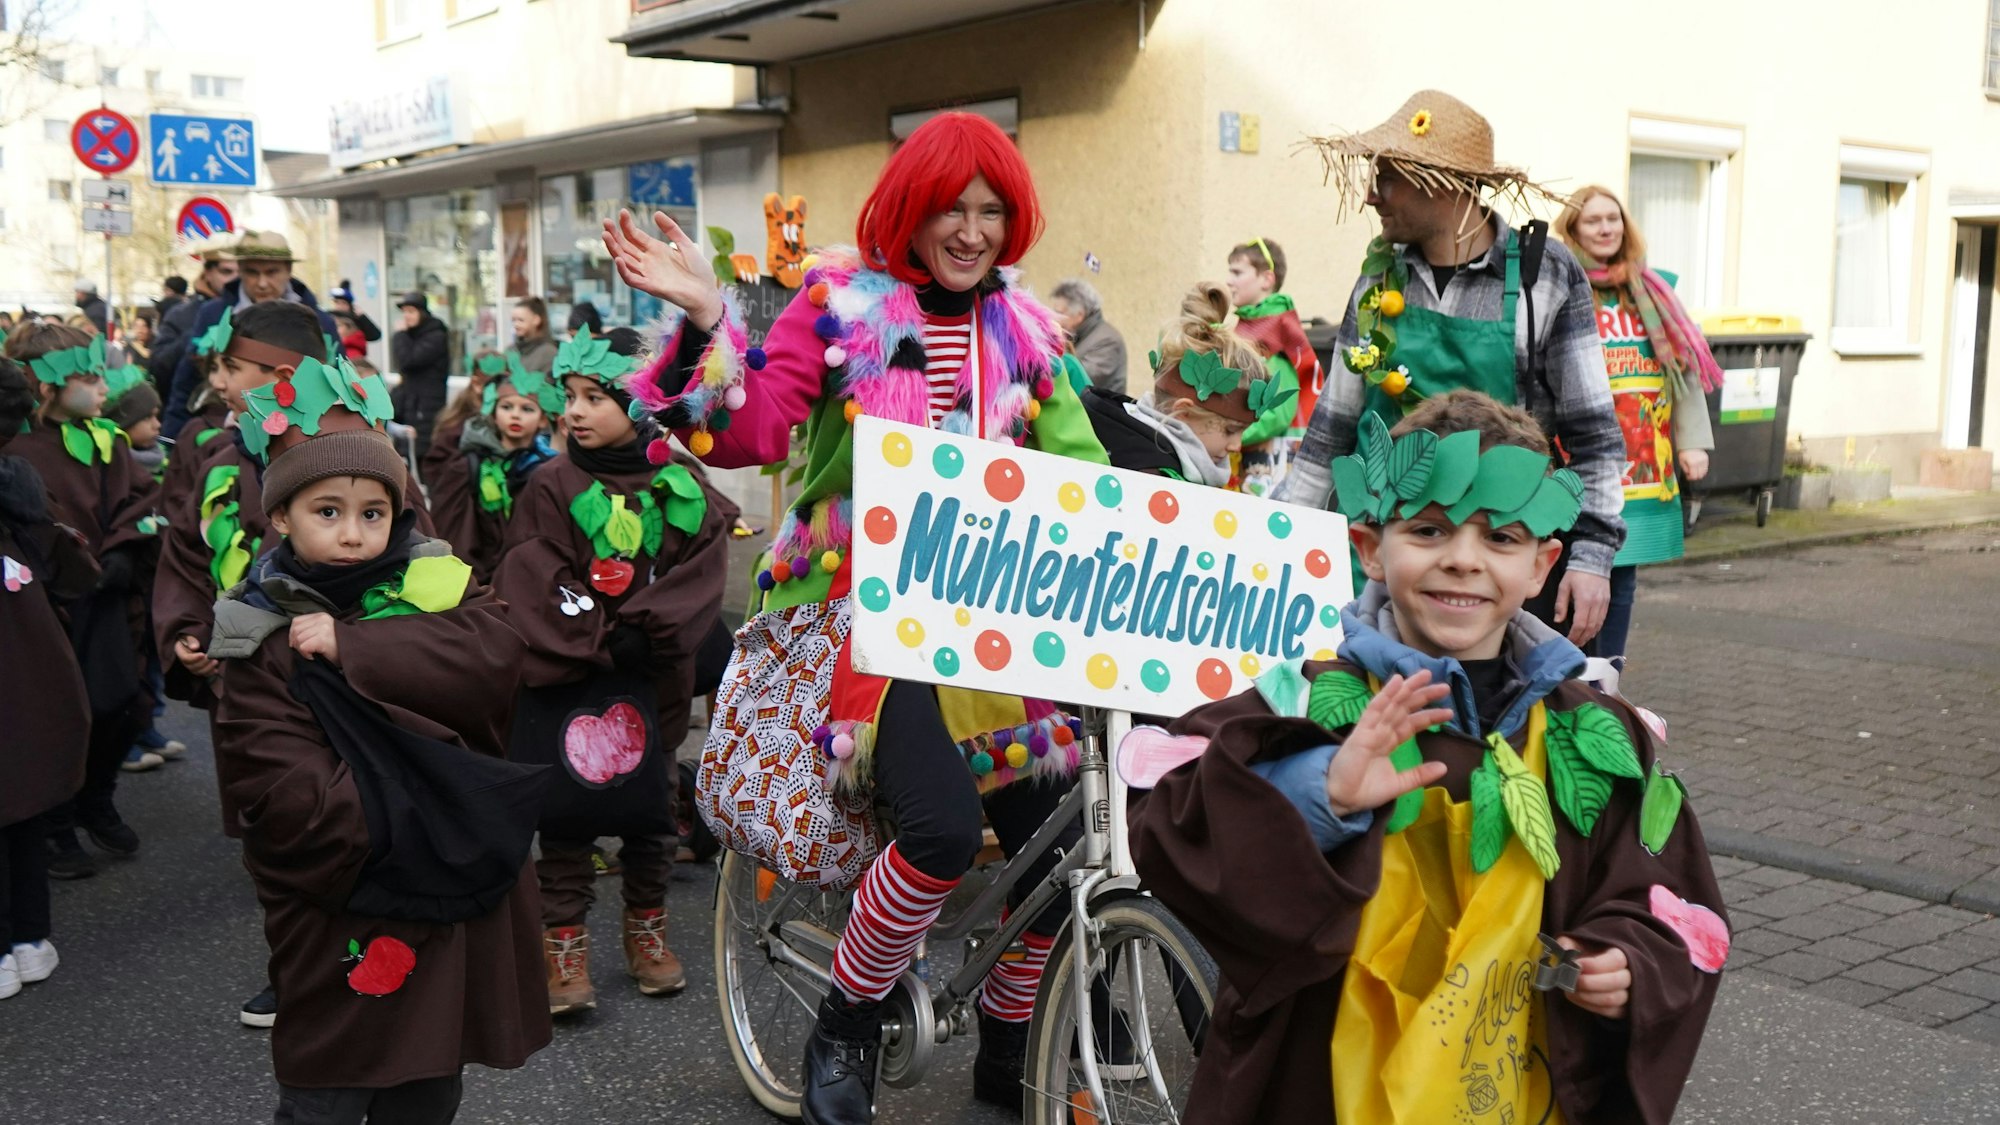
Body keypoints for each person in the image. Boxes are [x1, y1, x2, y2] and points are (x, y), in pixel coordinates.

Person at [605, 110, 1112, 1123]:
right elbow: (748, 430)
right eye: (948, 210)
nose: (969, 231)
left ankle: (1009, 1043)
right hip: (861, 618)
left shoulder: (1026, 334)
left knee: (1059, 855)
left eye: (989, 211)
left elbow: (1085, 470)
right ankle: (845, 1014)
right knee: (936, 830)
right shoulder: (841, 305)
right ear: (908, 212)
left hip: (991, 619)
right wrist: (710, 323)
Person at [1132, 390, 1727, 1124]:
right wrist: (1321, 792)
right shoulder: (1308, 701)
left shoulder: (1594, 733)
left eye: (1501, 538)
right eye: (1429, 529)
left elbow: (1666, 895)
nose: (1463, 560)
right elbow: (1169, 818)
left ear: (1543, 564)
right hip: (1325, 1088)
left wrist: (1626, 960)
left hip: (1510, 1087)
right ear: (1371, 547)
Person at [209, 376, 551, 1123]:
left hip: (439, 888)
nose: (355, 533)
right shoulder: (257, 628)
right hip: (342, 888)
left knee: (428, 1080)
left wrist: (358, 647)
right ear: (281, 517)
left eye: (373, 512)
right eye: (326, 512)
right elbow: (276, 781)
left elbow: (493, 656)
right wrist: (427, 815)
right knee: (327, 1084)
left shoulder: (439, 587)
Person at [1279, 90, 1625, 648]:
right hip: (1387, 559)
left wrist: (1591, 557)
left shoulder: (1545, 276)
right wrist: (1280, 539)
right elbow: (1331, 432)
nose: (1370, 196)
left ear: (1439, 181)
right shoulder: (1378, 277)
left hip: (1489, 563)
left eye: (1386, 178)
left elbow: (1595, 438)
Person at [492, 327, 732, 1015]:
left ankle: (646, 929)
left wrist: (648, 630)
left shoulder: (681, 482)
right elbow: (534, 570)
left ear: (644, 404)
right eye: (570, 395)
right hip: (572, 676)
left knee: (651, 810)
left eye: (596, 397)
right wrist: (596, 635)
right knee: (565, 816)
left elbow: (700, 571)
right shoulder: (551, 483)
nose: (575, 410)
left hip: (651, 677)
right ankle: (562, 944)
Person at [2, 323, 160, 881]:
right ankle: (56, 823)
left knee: (121, 703)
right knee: (58, 710)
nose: (100, 387)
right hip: (46, 603)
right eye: (86, 376)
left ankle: (97, 795)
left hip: (106, 596)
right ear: (44, 384)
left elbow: (142, 500)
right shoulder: (16, 446)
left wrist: (122, 549)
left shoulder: (107, 440)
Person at [1559, 186, 1721, 674]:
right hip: (1576, 456)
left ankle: (1608, 676)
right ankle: (1569, 676)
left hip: (1644, 458)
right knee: (1574, 561)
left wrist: (1692, 440)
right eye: (1594, 221)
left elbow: (1685, 369)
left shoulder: (1654, 289)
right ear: (1572, 230)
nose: (1607, 228)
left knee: (1623, 567)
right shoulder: (1561, 287)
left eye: (1614, 219)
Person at [0, 356, 95, 998]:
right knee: (21, 802)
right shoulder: (21, 485)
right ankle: (30, 936)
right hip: (31, 666)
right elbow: (73, 572)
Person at [1080, 281, 1284, 484]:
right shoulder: (1147, 479)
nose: (1236, 446)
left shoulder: (1169, 460)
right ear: (1184, 411)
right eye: (1230, 430)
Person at [163, 231, 337, 437]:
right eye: (252, 272)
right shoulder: (214, 314)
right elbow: (186, 379)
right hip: (223, 434)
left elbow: (335, 382)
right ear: (241, 271)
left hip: (299, 433)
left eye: (272, 272)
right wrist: (172, 439)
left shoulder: (320, 321)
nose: (262, 283)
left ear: (288, 270)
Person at [425, 350, 559, 584]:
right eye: (507, 407)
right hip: (479, 581)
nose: (515, 415)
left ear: (543, 419)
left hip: (526, 581)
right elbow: (454, 536)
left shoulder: (549, 468)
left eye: (526, 409)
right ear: (494, 413)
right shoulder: (468, 465)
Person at [1227, 237, 1324, 497]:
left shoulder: (1276, 333)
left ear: (1266, 279)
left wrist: (1232, 434)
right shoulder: (1249, 329)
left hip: (1269, 462)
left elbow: (1280, 411)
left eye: (1237, 272)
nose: (1229, 281)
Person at [151, 242, 237, 389]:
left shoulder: (252, 310)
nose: (236, 280)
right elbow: (158, 366)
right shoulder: (180, 314)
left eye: (242, 272)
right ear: (208, 273)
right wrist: (196, 335)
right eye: (226, 272)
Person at [391, 292, 452, 458]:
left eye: (411, 312)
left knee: (420, 452)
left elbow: (408, 360)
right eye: (404, 312)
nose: (406, 316)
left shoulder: (435, 336)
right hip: (410, 403)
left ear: (422, 313)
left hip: (425, 407)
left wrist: (400, 335)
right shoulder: (413, 335)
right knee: (406, 452)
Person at [1048, 278, 1127, 393]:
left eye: (1059, 313)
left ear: (1079, 315)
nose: (1054, 318)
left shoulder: (1108, 341)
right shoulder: (1077, 334)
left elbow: (1075, 380)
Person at [327, 279, 382, 349]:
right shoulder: (329, 318)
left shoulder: (356, 320)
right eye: (337, 302)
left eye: (343, 303)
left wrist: (363, 317)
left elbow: (375, 335)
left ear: (350, 305)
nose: (339, 306)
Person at [510, 297, 558, 374]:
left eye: (521, 320)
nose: (516, 324)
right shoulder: (510, 350)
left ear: (536, 320)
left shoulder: (548, 353)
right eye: (513, 320)